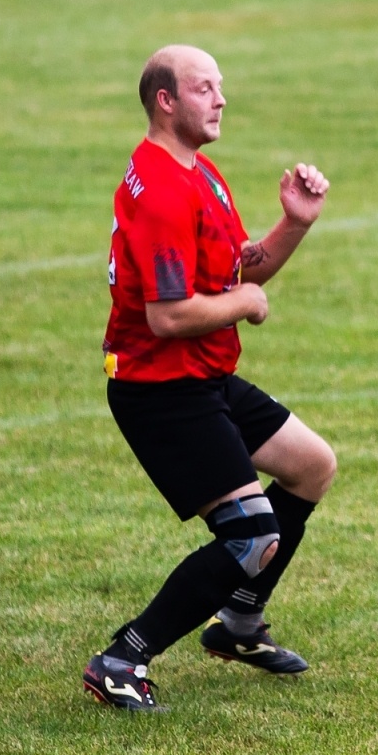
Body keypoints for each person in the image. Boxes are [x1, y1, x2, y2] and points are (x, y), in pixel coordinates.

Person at [83, 45, 338, 712]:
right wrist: (245, 307)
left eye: (220, 86)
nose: (221, 98)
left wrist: (294, 226)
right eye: (205, 88)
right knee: (251, 536)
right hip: (160, 389)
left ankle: (239, 624)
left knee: (311, 466)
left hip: (203, 375)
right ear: (166, 100)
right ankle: (122, 658)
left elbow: (235, 272)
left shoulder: (197, 171)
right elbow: (168, 315)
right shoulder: (163, 191)